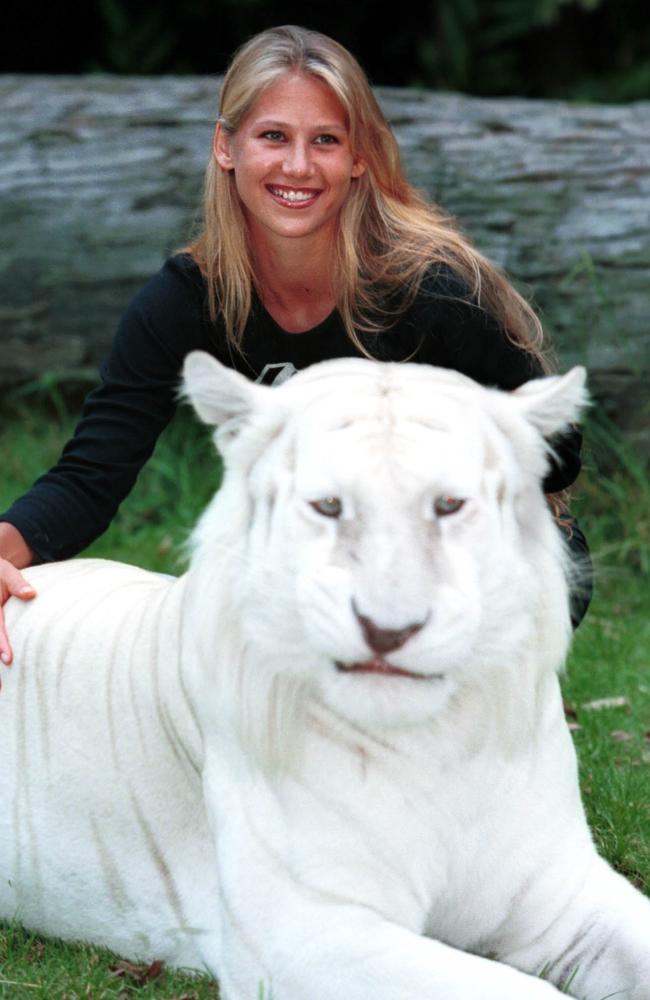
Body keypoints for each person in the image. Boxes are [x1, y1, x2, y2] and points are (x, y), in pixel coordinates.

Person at [0, 24, 591, 666]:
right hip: (316, 550)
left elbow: (557, 455)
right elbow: (92, 473)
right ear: (227, 146)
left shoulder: (431, 290)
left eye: (327, 141)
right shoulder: (188, 299)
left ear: (359, 156)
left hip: (455, 545)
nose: (299, 166)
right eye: (273, 136)